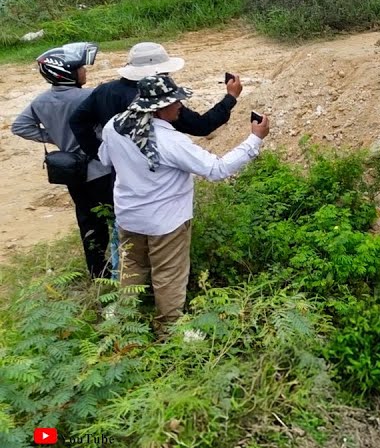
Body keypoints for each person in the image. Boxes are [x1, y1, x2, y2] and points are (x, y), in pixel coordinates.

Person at [98, 75, 269, 335]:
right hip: (165, 222)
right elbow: (217, 169)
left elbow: (104, 159)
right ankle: (169, 329)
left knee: (132, 265)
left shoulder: (114, 126)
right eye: (174, 101)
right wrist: (254, 140)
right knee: (168, 274)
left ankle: (124, 319)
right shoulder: (170, 141)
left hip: (129, 215)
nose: (180, 104)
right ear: (158, 108)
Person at [10, 43, 114, 278]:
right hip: (100, 168)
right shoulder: (90, 96)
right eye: (80, 68)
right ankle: (123, 269)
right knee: (118, 219)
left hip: (72, 172)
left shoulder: (40, 101)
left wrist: (54, 136)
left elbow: (20, 127)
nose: (84, 71)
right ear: (66, 73)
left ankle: (98, 274)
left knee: (88, 222)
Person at [70, 42, 243, 162]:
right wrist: (230, 98)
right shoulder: (158, 101)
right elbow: (201, 126)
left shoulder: (104, 90)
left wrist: (100, 154)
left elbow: (76, 121)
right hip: (153, 172)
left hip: (119, 174)